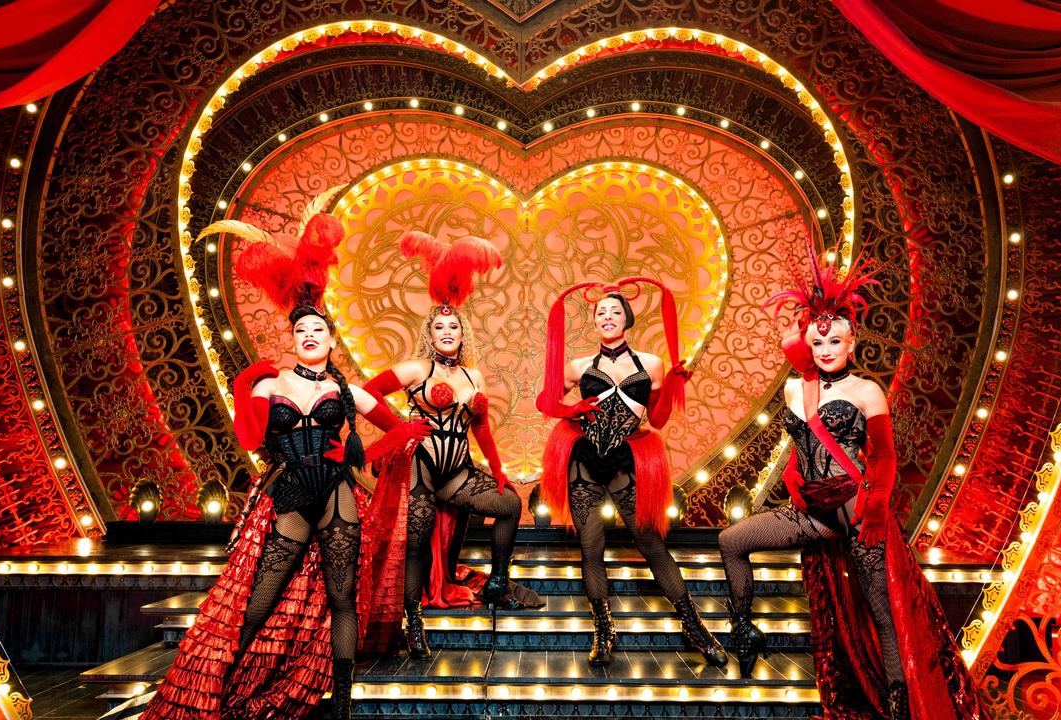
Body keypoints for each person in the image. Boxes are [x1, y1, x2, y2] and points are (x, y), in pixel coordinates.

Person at [141, 195, 428, 719]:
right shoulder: (271, 383)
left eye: (319, 330)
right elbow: (251, 439)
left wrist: (357, 453)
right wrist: (244, 382)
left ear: (331, 337)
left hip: (338, 495)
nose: (311, 335)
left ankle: (340, 700)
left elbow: (407, 428)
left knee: (343, 599)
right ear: (293, 338)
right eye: (302, 331)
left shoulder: (350, 391)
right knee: (259, 597)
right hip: (289, 493)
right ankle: (224, 682)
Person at [717, 246, 988, 719]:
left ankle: (899, 702)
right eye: (818, 344)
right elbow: (797, 448)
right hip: (812, 512)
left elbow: (883, 454)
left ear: (851, 344)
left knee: (881, 610)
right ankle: (744, 632)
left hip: (856, 508)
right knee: (731, 540)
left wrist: (878, 506)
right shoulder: (795, 389)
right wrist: (796, 480)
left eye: (835, 343)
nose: (825, 351)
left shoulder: (866, 390)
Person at [362, 231, 540, 660]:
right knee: (417, 539)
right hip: (421, 468)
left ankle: (498, 582)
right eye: (439, 326)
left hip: (458, 470)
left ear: (463, 333)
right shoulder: (414, 369)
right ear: (431, 333)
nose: (447, 331)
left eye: (453, 326)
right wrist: (398, 432)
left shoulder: (473, 377)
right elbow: (364, 393)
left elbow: (480, 429)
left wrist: (497, 471)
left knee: (510, 506)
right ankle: (413, 618)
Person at [536, 277, 728, 667]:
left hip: (628, 458)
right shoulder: (578, 365)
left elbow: (656, 419)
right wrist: (572, 410)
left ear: (627, 318)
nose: (607, 316)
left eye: (614, 311)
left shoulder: (652, 364)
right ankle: (603, 628)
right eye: (600, 312)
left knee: (652, 545)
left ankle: (695, 627)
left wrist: (673, 385)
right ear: (594, 322)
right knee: (591, 548)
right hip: (584, 460)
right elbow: (546, 400)